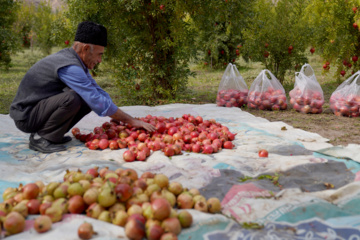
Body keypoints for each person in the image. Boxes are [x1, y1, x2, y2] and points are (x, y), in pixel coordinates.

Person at [9, 21, 156, 153]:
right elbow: (97, 100)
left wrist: (122, 116)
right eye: (99, 54)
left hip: (38, 110)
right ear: (85, 48)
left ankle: (53, 134)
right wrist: (131, 121)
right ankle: (41, 138)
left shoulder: (77, 62)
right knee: (73, 98)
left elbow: (97, 91)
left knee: (85, 99)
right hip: (26, 116)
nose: (99, 60)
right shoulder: (69, 66)